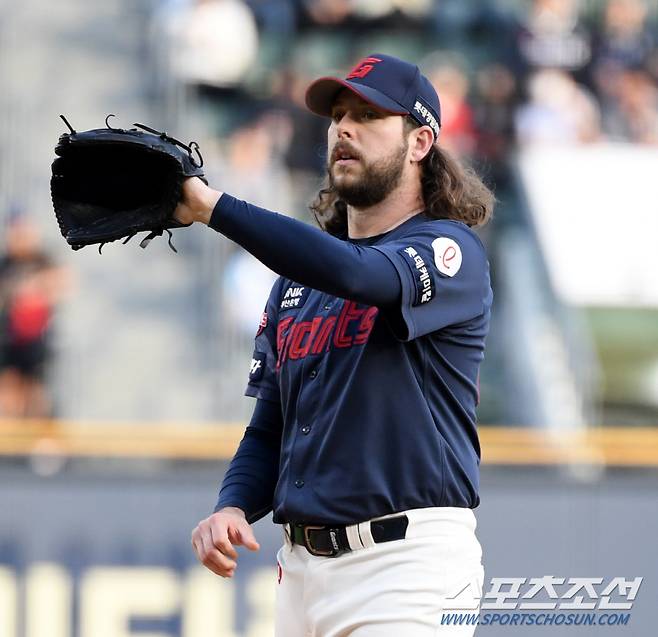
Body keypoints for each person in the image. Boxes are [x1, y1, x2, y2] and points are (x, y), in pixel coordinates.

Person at [178, 53, 495, 636]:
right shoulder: (295, 284)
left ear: (420, 141)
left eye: (368, 115)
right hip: (298, 574)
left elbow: (359, 275)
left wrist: (212, 207)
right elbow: (270, 427)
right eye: (337, 114)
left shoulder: (450, 253)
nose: (343, 128)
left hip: (405, 569)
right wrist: (232, 505)